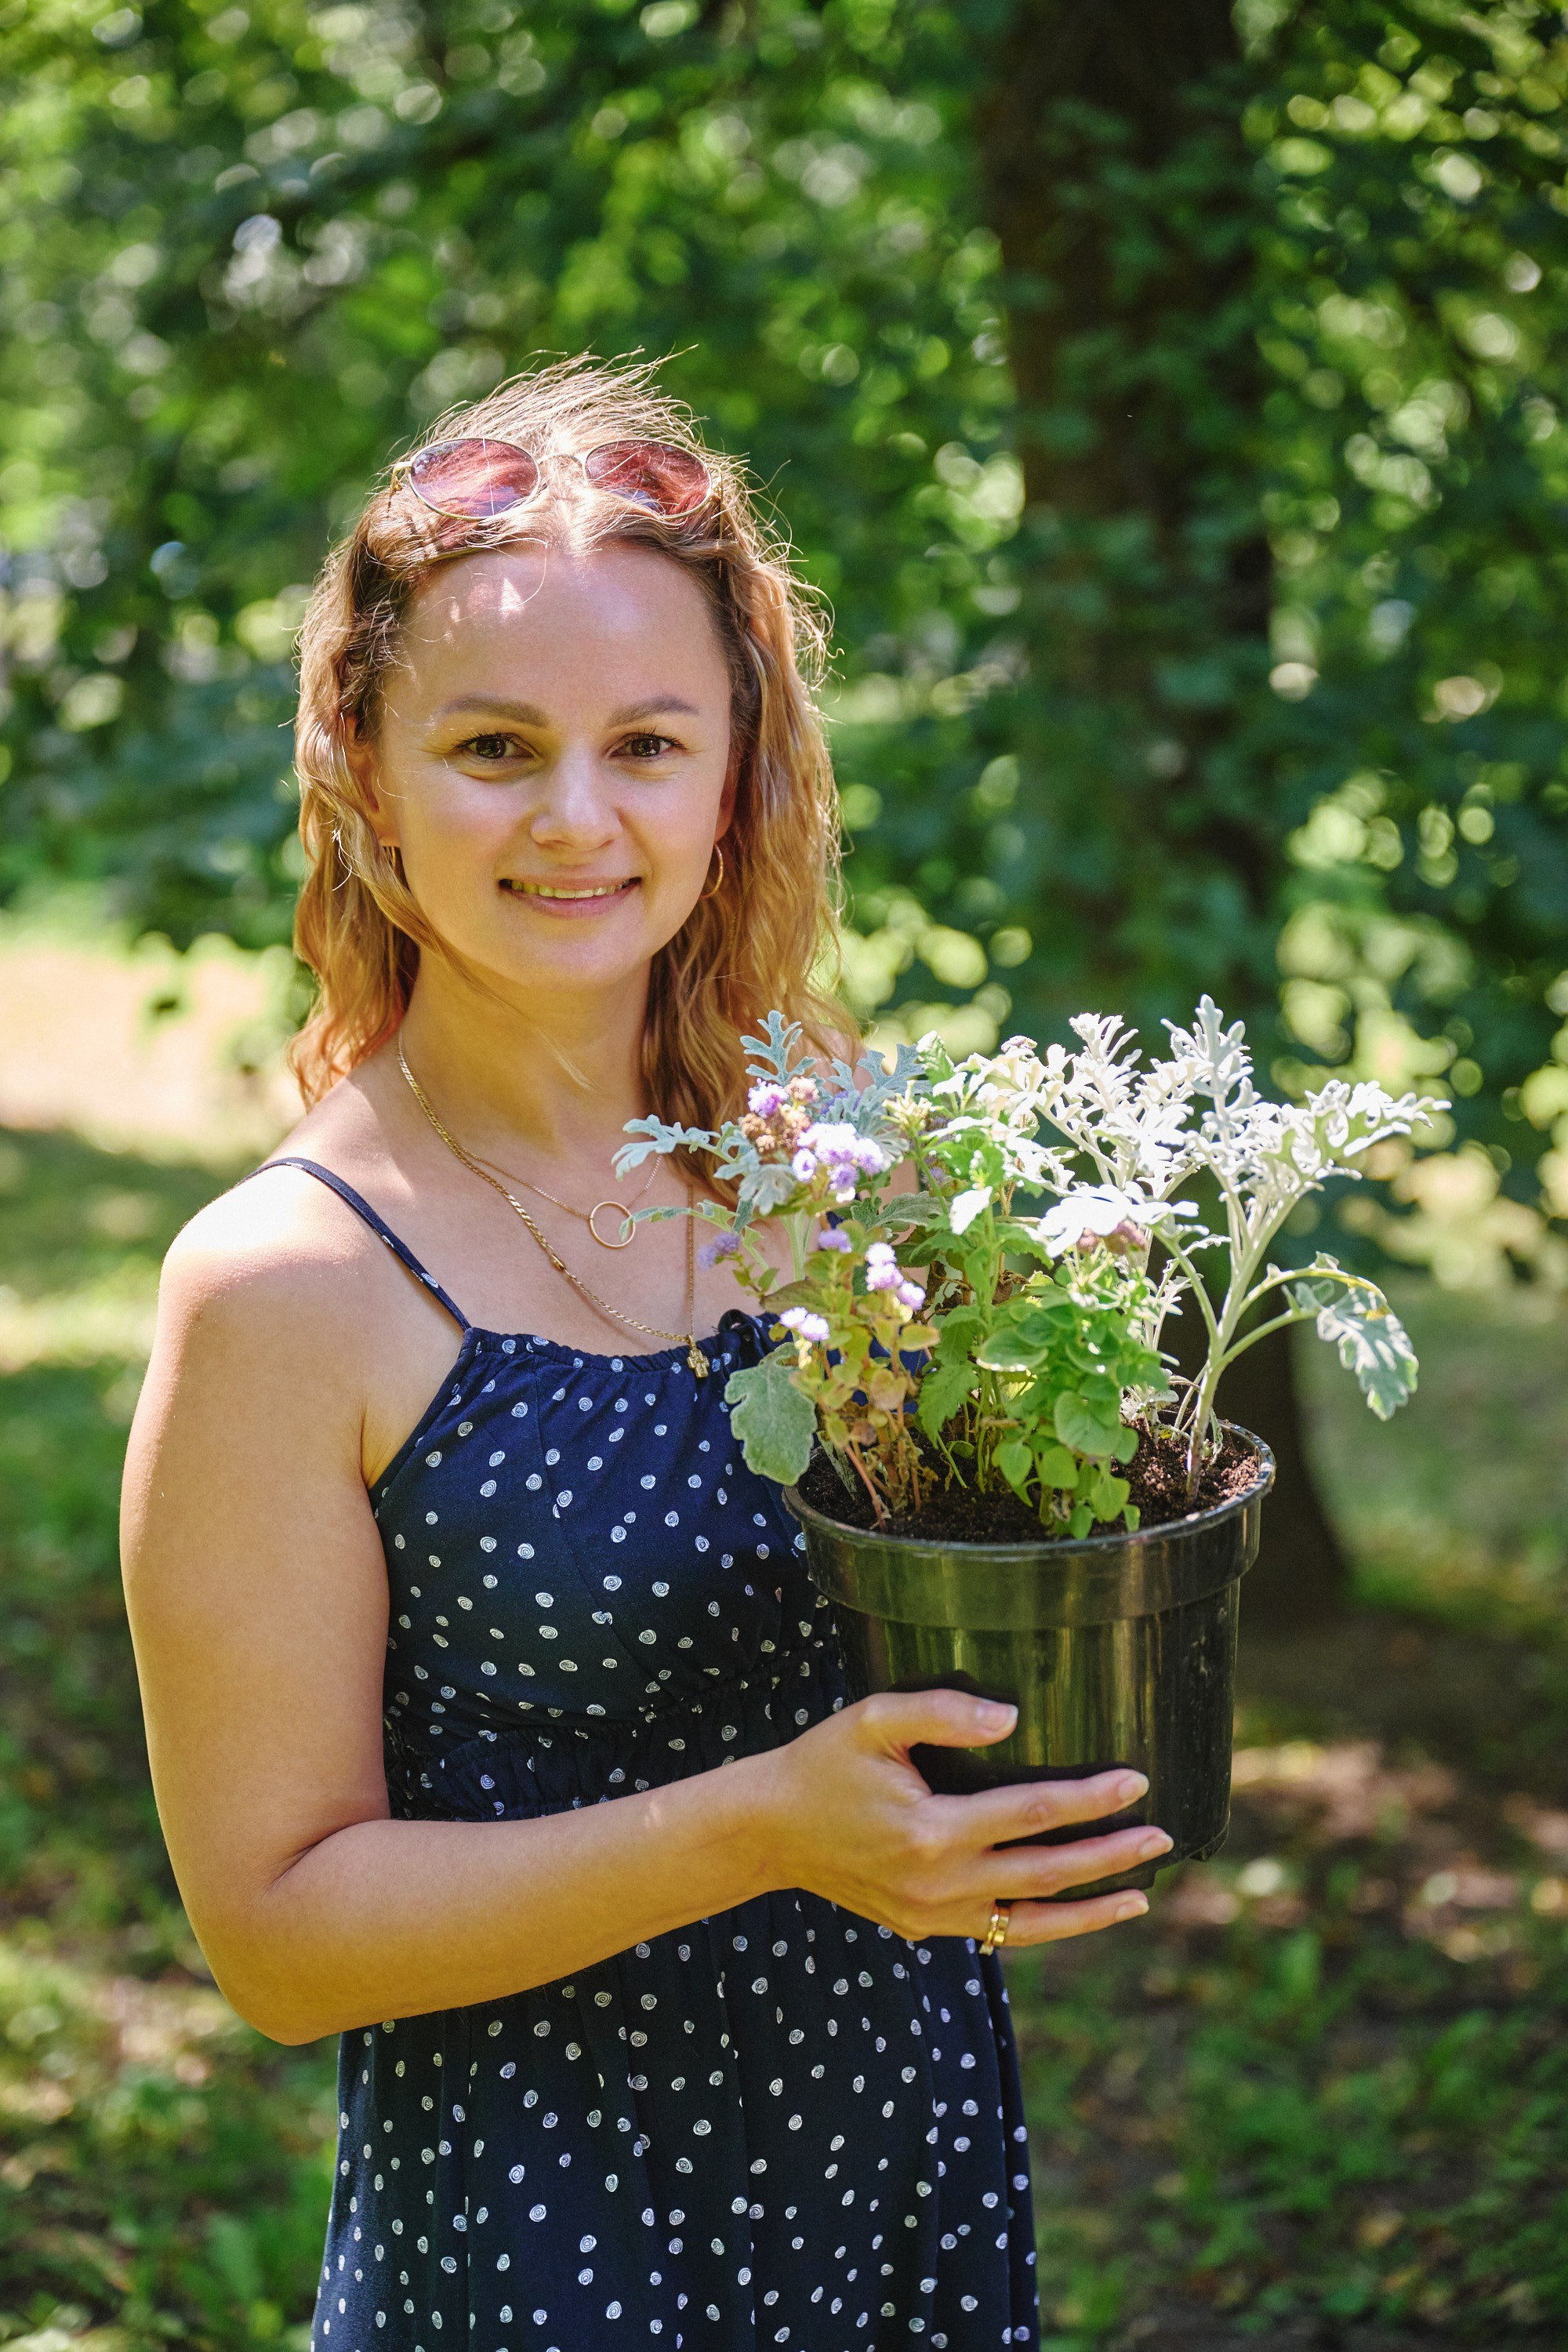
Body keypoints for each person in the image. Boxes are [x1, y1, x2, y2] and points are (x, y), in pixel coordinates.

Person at [122, 356, 1171, 2352]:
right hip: (544, 2235)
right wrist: (766, 1826)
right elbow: (273, 1939)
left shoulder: (857, 1184)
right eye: (497, 747)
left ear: (736, 770)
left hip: (899, 2169)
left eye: (649, 744)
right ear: (364, 761)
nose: (579, 819)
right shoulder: (286, 1283)